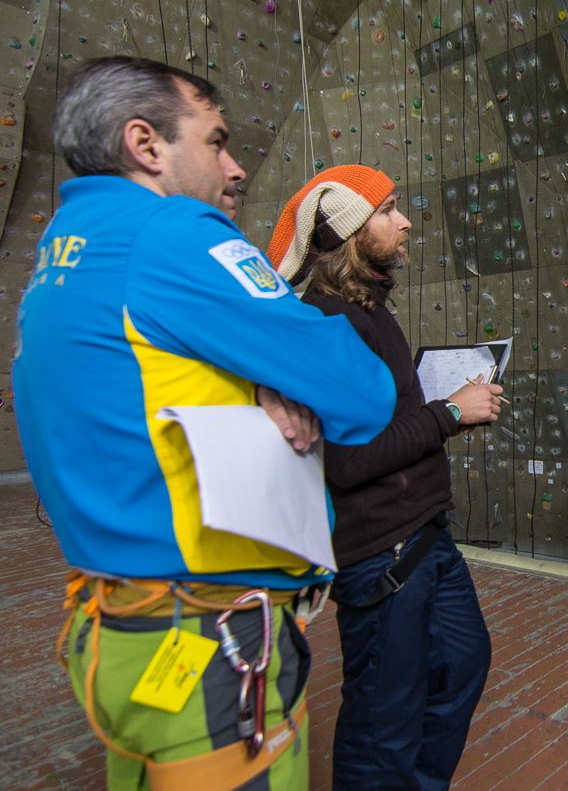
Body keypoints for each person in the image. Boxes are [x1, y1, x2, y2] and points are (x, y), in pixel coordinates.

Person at [13, 57, 397, 789]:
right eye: (216, 140)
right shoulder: (170, 232)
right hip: (210, 643)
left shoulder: (66, 247)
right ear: (146, 144)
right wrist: (279, 369)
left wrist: (251, 374)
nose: (236, 165)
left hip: (118, 631)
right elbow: (361, 390)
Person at [267, 165, 502, 789]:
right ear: (347, 234)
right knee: (383, 722)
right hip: (381, 553)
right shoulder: (330, 321)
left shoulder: (367, 307)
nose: (404, 223)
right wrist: (450, 413)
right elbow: (352, 460)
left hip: (424, 534)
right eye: (387, 210)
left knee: (460, 662)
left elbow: (383, 416)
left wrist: (435, 407)